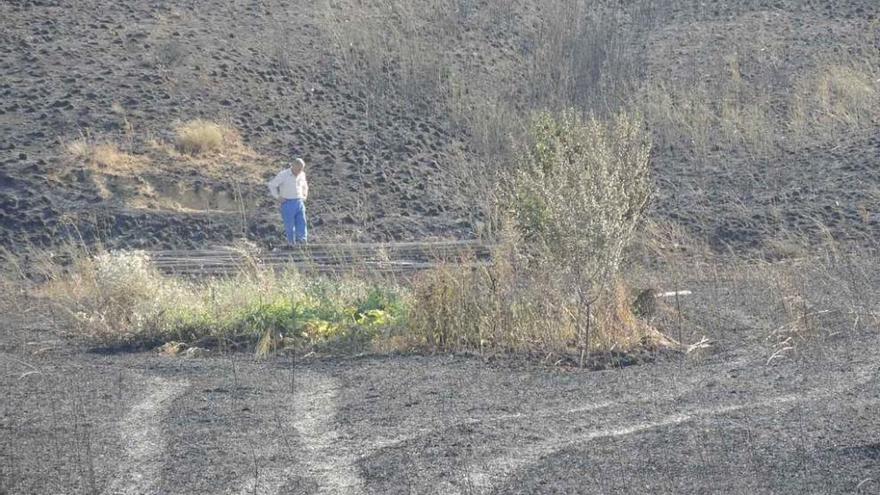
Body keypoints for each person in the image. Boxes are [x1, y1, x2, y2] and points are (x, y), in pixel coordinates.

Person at [268, 157, 309, 244]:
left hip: (299, 201)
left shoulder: (302, 174)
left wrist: (304, 195)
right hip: (287, 202)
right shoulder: (283, 175)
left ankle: (302, 241)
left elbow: (305, 186)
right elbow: (272, 185)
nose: (299, 171)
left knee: (302, 222)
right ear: (293, 166)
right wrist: (278, 197)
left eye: (301, 169)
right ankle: (291, 243)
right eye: (298, 169)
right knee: (289, 225)